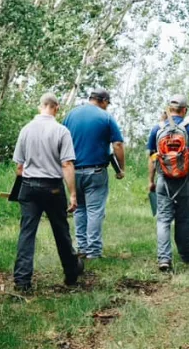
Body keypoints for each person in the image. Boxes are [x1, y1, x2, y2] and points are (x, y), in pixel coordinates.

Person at [12, 93, 84, 291]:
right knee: (61, 231)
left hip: (28, 186)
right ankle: (71, 272)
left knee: (27, 232)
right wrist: (73, 194)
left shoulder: (25, 130)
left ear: (40, 106)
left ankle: (22, 280)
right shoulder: (61, 131)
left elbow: (19, 167)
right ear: (56, 108)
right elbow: (67, 163)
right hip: (53, 187)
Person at [62, 88, 125, 260]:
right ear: (103, 101)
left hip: (72, 171)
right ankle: (94, 251)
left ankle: (81, 247)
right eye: (108, 104)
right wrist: (121, 168)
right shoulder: (105, 117)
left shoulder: (70, 115)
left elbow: (60, 140)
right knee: (95, 210)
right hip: (96, 171)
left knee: (79, 209)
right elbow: (118, 144)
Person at [148, 94, 189, 271]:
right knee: (184, 220)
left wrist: (151, 181)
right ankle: (186, 256)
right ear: (185, 110)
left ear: (169, 109)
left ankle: (164, 259)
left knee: (163, 220)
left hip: (163, 179)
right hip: (185, 180)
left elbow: (152, 158)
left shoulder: (157, 129)